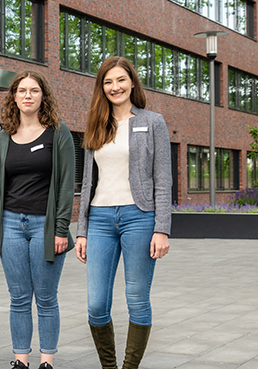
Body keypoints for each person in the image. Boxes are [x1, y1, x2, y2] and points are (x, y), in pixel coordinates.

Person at [74, 56, 171, 369]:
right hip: (100, 220)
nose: (115, 87)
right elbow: (88, 181)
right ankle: (109, 366)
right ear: (101, 87)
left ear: (132, 83)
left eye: (120, 80)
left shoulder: (152, 121)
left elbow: (163, 178)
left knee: (137, 299)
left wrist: (162, 228)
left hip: (139, 218)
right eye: (108, 82)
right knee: (95, 304)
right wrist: (82, 230)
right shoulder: (96, 123)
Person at [0, 71, 75, 369]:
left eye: (34, 90)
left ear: (43, 96)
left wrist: (61, 229)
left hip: (45, 226)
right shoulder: (3, 137)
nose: (28, 95)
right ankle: (20, 361)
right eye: (22, 90)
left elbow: (65, 184)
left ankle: (46, 361)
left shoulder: (58, 133)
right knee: (19, 297)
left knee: (46, 297)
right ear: (14, 96)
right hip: (10, 224)